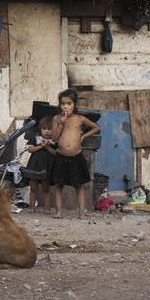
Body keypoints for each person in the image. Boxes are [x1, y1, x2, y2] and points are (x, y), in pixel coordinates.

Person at [50, 89, 100, 219]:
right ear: (59, 105)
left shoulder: (79, 119)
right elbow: (54, 138)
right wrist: (61, 123)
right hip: (61, 157)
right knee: (59, 185)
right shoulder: (56, 118)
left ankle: (81, 212)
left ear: (75, 104)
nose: (66, 106)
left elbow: (96, 127)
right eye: (63, 103)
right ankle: (59, 211)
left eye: (69, 103)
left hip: (76, 157)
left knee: (78, 185)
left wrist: (84, 136)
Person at [24, 116, 56, 214]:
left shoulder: (54, 141)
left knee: (45, 188)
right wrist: (40, 146)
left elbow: (56, 153)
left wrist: (47, 147)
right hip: (35, 166)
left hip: (46, 167)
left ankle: (47, 208)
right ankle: (32, 207)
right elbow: (29, 149)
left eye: (49, 129)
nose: (47, 131)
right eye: (44, 129)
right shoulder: (35, 139)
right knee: (33, 188)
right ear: (40, 129)